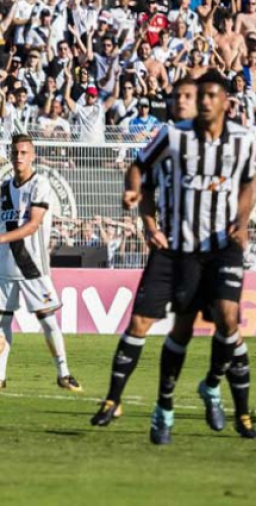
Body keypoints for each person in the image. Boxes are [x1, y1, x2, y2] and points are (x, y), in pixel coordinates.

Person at [126, 70, 256, 444]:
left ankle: (214, 386)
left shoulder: (242, 139)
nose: (202, 102)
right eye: (197, 95)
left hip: (224, 243)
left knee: (228, 318)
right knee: (182, 328)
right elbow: (141, 168)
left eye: (209, 95)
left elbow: (250, 181)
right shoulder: (175, 136)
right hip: (183, 249)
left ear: (224, 102)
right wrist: (143, 209)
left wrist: (243, 220)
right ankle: (164, 408)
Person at [91, 78, 207, 428]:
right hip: (168, 248)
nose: (179, 102)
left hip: (203, 252)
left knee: (186, 329)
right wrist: (149, 225)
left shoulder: (226, 142)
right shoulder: (168, 137)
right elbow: (139, 173)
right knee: (140, 321)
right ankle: (113, 398)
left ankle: (176, 400)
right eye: (176, 97)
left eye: (187, 96)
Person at [0, 134, 82, 393]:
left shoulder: (40, 184)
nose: (19, 157)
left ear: (32, 155)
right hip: (3, 263)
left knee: (46, 320)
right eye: (15, 152)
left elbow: (33, 225)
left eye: (24, 152)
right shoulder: (4, 187)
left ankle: (64, 373)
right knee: (1, 320)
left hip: (31, 264)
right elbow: (3, 222)